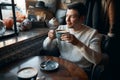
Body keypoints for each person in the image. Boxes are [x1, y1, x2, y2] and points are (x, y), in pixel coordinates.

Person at [43, 1, 102, 77]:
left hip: (81, 70)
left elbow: (97, 60)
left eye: (72, 16)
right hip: (62, 67)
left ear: (82, 18)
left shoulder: (93, 34)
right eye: (67, 15)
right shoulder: (61, 28)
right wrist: (50, 38)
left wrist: (77, 43)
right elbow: (46, 48)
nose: (67, 20)